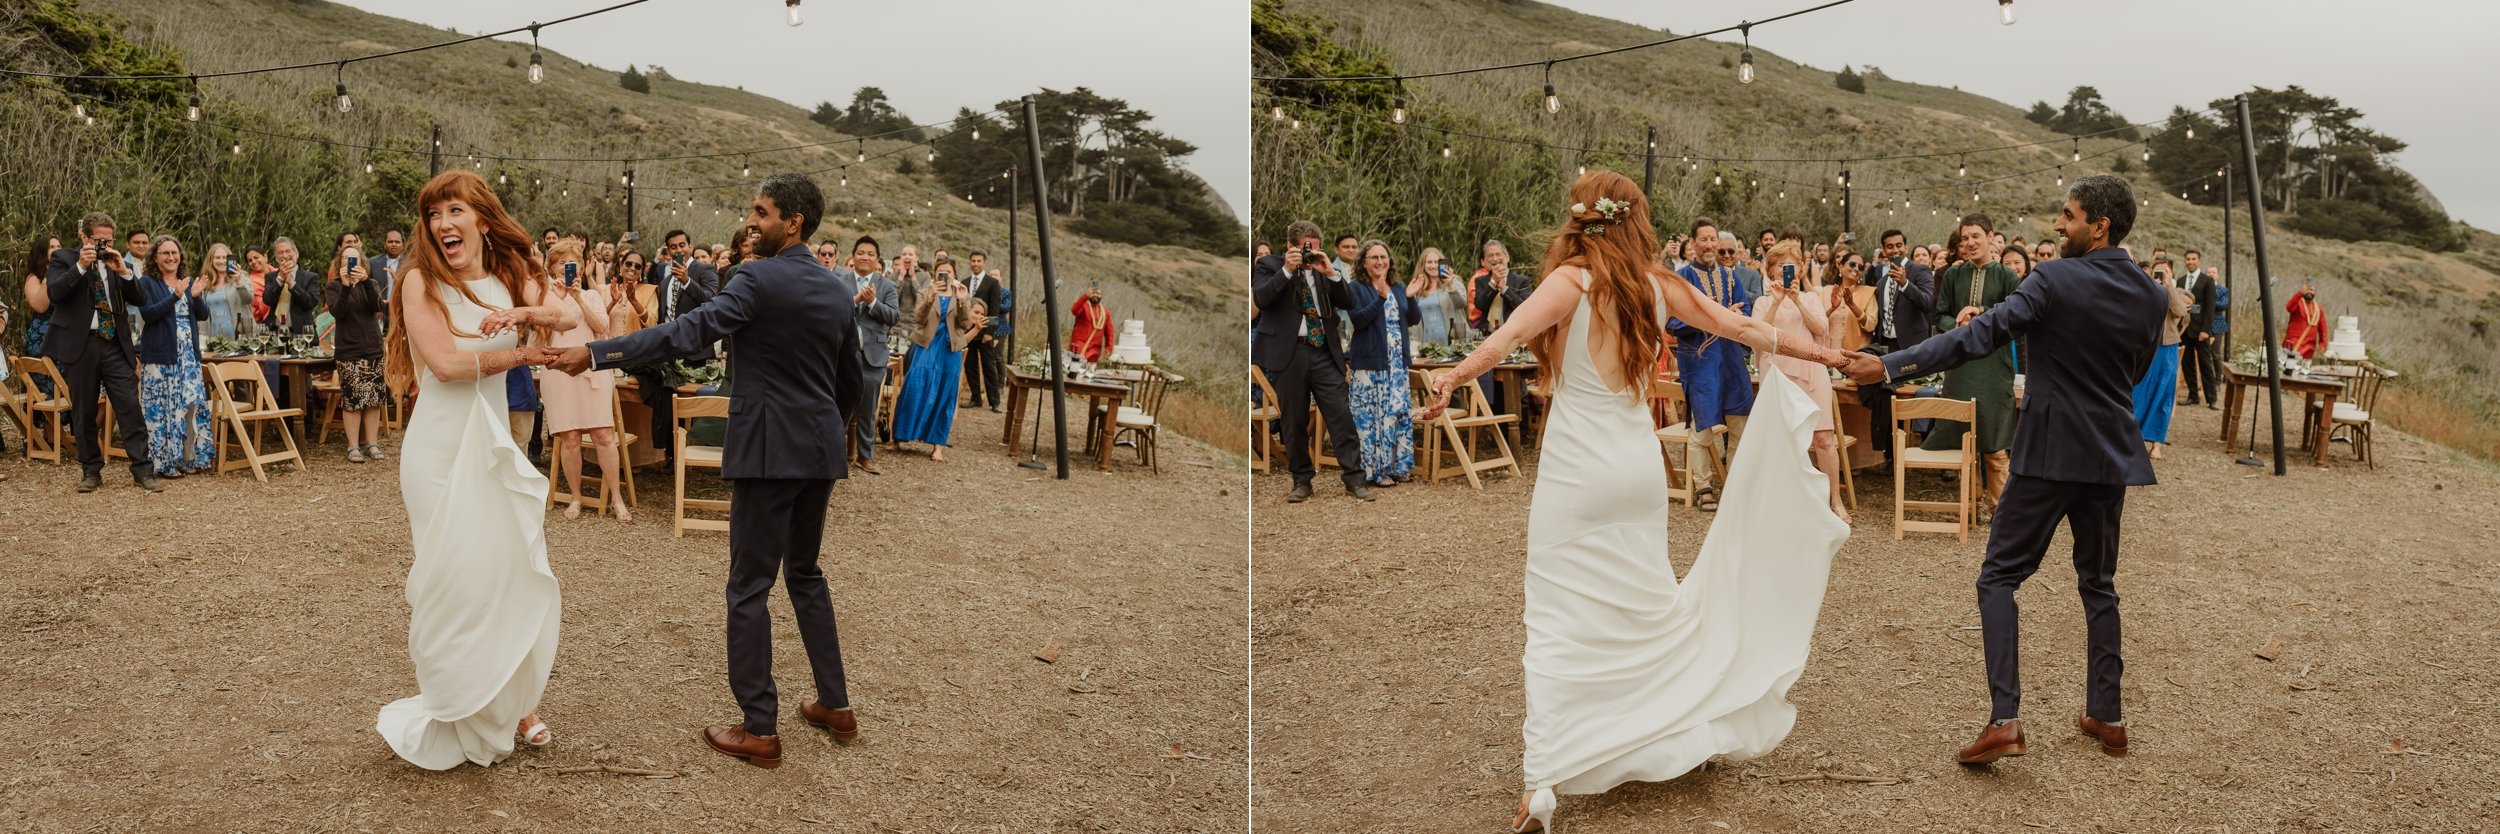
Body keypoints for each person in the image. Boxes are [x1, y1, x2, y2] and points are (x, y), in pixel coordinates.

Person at [1419, 171, 1852, 832]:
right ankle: (1674, 725)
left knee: (1559, 619)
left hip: (1578, 474)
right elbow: (1743, 328)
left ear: (1579, 220)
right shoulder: (1661, 284)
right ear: (1635, 219)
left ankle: (1542, 783)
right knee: (1649, 607)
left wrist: (1451, 375)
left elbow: (1502, 340)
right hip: (1638, 471)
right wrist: (1830, 355)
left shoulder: (1572, 281)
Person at [1844, 174, 2169, 766]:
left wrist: (1889, 365)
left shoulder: (2053, 277)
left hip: (2048, 452)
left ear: (2098, 226)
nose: (2058, 225)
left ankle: (2005, 720)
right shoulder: (2151, 293)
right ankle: (2109, 715)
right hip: (2108, 454)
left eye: (2068, 216)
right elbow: (2136, 369)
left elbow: (1979, 336)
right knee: (2098, 584)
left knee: (1998, 578)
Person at [552, 172, 864, 768]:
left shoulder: (757, 277)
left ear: (792, 222)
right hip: (818, 451)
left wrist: (596, 353)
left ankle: (759, 729)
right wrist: (821, 430)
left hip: (770, 450)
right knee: (805, 575)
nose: (752, 221)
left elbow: (689, 331)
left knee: (749, 586)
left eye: (761, 211)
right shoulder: (834, 289)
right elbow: (849, 381)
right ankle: (836, 705)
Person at [373, 169, 576, 769]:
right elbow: (443, 365)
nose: (442, 225)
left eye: (454, 211)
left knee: (506, 572)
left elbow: (567, 318)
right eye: (434, 215)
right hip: (438, 450)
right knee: (455, 581)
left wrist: (522, 314)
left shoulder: (513, 273)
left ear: (482, 220)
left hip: (491, 445)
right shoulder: (419, 281)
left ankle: (515, 704)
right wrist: (524, 353)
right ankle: (458, 703)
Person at [1252, 221, 1373, 502]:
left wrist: (1330, 273)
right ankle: (1301, 480)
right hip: (1289, 352)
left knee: (1341, 414)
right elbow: (1262, 299)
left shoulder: (1323, 268)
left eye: (1316, 248)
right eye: (1306, 248)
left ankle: (1354, 478)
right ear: (1291, 246)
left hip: (1323, 351)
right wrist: (1288, 269)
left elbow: (1349, 302)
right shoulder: (1269, 265)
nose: (1311, 253)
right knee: (1293, 420)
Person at [47, 213, 160, 492]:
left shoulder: (116, 260)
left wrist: (123, 270)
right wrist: (81, 266)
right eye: (99, 240)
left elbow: (141, 299)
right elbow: (55, 293)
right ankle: (91, 470)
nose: (104, 245)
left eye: (109, 240)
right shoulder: (63, 258)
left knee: (129, 406)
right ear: (85, 237)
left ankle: (142, 470)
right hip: (81, 344)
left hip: (114, 343)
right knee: (84, 411)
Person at [1927, 214, 2023, 515]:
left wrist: (1980, 312)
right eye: (1964, 237)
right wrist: (1957, 322)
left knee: (1994, 441)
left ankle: (2001, 511)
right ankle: (1971, 506)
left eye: (1975, 236)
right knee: (1964, 438)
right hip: (1961, 364)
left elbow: (2015, 315)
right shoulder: (1954, 276)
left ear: (1990, 237)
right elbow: (1939, 314)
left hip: (1995, 365)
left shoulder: (2007, 276)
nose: (1969, 243)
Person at [1667, 217, 1754, 511]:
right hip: (1700, 361)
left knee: (1739, 422)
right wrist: (1717, 317)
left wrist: (1732, 317)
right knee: (1702, 427)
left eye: (1713, 239)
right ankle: (1703, 486)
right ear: (1692, 244)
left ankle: (1734, 483)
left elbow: (1746, 311)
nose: (1709, 244)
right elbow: (1673, 322)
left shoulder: (1731, 277)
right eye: (1703, 239)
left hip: (1730, 359)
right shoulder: (1682, 278)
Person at [533, 240, 623, 521]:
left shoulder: (592, 296)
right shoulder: (544, 300)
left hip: (591, 371)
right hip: (558, 373)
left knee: (603, 435)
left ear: (582, 267)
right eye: (561, 262)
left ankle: (617, 500)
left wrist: (578, 298)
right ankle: (575, 497)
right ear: (551, 267)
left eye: (572, 263)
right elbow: (538, 338)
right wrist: (558, 300)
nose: (566, 267)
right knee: (570, 437)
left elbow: (601, 327)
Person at [1757, 241, 1848, 517]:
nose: (1786, 271)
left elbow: (1820, 329)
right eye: (1779, 266)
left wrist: (1796, 299)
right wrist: (1777, 300)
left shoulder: (1810, 299)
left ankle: (1834, 500)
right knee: (1780, 442)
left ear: (1800, 268)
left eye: (1791, 266)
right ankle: (1786, 502)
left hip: (1810, 373)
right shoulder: (1762, 302)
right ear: (1771, 270)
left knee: (1823, 438)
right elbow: (1759, 336)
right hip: (1777, 375)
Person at [134, 235, 214, 478]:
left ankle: (186, 457)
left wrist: (196, 296)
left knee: (189, 406)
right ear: (155, 258)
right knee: (163, 410)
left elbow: (201, 315)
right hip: (161, 356)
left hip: (188, 356)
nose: (171, 257)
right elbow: (148, 314)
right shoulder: (147, 282)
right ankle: (164, 463)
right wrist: (175, 296)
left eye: (174, 252)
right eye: (165, 253)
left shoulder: (186, 282)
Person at [891, 259, 983, 461]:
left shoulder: (962, 294)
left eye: (948, 272)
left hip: (950, 350)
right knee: (913, 388)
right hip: (926, 346)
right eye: (940, 271)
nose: (945, 275)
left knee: (945, 395)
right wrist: (931, 297)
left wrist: (961, 300)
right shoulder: (925, 291)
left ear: (954, 274)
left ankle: (937, 446)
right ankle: (898, 437)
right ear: (934, 274)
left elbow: (966, 322)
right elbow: (918, 319)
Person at [1863, 230, 1936, 458]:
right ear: (1883, 250)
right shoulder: (1882, 281)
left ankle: (1930, 451)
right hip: (1888, 347)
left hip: (1914, 348)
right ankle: (1891, 454)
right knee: (1886, 397)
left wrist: (1905, 283)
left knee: (1923, 396)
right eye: (1889, 246)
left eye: (1898, 245)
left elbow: (1927, 303)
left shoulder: (1920, 271)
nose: (1894, 250)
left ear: (1905, 246)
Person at [1345, 240, 1413, 486]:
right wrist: (1380, 300)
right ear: (1363, 262)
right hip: (1369, 364)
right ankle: (1375, 471)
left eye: (1383, 257)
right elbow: (1359, 320)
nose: (1379, 262)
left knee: (1397, 413)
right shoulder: (1356, 288)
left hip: (1397, 364)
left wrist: (1412, 297)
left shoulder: (1397, 287)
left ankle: (1399, 465)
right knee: (1372, 417)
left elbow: (1412, 319)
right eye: (1373, 257)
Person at [835, 237, 899, 475]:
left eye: (870, 253)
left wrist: (873, 303)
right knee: (839, 406)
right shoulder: (840, 282)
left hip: (873, 355)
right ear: (852, 257)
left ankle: (866, 456)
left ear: (877, 259)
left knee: (868, 409)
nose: (865, 257)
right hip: (843, 355)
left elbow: (893, 316)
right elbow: (832, 311)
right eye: (860, 252)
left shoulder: (887, 286)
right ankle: (834, 456)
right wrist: (855, 300)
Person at [324, 239, 389, 463]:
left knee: (373, 399)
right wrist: (345, 286)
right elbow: (337, 313)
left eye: (355, 258)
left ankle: (372, 443)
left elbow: (377, 306)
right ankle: (353, 446)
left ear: (361, 262)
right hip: (348, 351)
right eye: (346, 258)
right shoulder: (333, 286)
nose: (351, 262)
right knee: (352, 400)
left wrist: (366, 283)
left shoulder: (371, 283)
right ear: (340, 262)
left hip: (372, 349)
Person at [2132, 260, 2191, 460]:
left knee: (2163, 395)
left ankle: (2157, 444)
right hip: (2146, 346)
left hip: (2167, 348)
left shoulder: (2176, 291)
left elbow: (2180, 311)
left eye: (2165, 270)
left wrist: (2168, 285)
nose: (2160, 274)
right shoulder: (2143, 287)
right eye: (2158, 270)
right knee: (2138, 391)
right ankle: (2133, 438)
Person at [961, 251, 1005, 411]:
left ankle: (995, 401)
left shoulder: (992, 283)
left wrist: (990, 332)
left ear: (984, 262)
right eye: (973, 261)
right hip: (967, 332)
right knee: (970, 365)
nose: (976, 263)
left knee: (989, 366)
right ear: (970, 262)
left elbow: (994, 309)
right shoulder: (964, 282)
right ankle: (975, 398)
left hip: (984, 332)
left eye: (979, 261)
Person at [2176, 250, 2218, 408]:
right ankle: (2193, 396)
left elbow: (2210, 307)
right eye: (2188, 259)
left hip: (2201, 330)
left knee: (2205, 364)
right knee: (2187, 364)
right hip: (2184, 329)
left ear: (2199, 261)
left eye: (2193, 259)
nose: (2190, 261)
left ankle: (2211, 398)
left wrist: (2206, 330)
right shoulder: (2180, 280)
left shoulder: (2207, 281)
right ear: (2184, 261)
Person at [1404, 246, 1467, 348]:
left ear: (1442, 263)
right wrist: (1408, 297)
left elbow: (1461, 303)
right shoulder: (1418, 287)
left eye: (1436, 262)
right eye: (1429, 262)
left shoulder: (1454, 281)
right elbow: (1410, 317)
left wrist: (1450, 285)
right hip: (1427, 343)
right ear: (1423, 265)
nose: (1433, 266)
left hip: (1452, 341)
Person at [1470, 239, 1531, 335]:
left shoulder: (1522, 281)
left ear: (1507, 257)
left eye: (1498, 254)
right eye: (1490, 255)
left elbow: (1523, 308)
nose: (1494, 258)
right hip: (1487, 334)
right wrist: (1493, 283)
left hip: (1512, 333)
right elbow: (1480, 306)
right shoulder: (1480, 280)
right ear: (1486, 260)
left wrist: (1504, 289)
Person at [1822, 246, 1877, 353]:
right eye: (1852, 264)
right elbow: (1817, 323)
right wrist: (1832, 308)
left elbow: (1871, 326)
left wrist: (1852, 305)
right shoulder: (1827, 291)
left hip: (1856, 356)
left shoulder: (1868, 292)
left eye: (1860, 267)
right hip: (1828, 353)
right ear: (1841, 267)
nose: (1856, 268)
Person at [268, 237, 322, 336]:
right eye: (280, 252)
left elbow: (311, 302)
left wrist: (292, 284)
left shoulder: (311, 277)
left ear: (296, 253)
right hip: (274, 332)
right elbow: (267, 300)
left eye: (288, 251)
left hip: (302, 333)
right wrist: (280, 280)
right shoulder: (271, 277)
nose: (284, 255)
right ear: (276, 257)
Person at [1067, 284, 1112, 362]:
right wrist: (1085, 296)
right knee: (1075, 370)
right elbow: (1074, 310)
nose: (1095, 295)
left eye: (1098, 294)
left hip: (1095, 350)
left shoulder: (1105, 312)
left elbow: (1109, 332)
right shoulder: (1083, 307)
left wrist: (1108, 348)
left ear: (1101, 296)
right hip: (1079, 346)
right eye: (1093, 293)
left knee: (1089, 372)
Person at [2284, 281, 2324, 359]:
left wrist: (2322, 344)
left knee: (2304, 369)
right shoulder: (2297, 303)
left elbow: (2323, 329)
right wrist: (2300, 293)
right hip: (2294, 343)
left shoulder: (2319, 309)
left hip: (2309, 347)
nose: (2309, 292)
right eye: (2307, 289)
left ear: (2315, 293)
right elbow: (2289, 307)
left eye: (2311, 290)